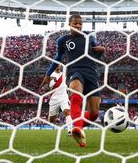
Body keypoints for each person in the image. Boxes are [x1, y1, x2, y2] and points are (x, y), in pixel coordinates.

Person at [40, 14, 105, 147]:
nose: (78, 26)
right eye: (75, 23)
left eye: (80, 24)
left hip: (91, 72)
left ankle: (77, 125)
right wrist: (48, 74)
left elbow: (95, 55)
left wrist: (102, 50)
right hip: (74, 70)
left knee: (94, 114)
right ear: (69, 23)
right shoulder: (63, 40)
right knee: (75, 93)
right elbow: (58, 57)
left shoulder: (89, 37)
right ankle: (79, 131)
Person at [46, 64, 73, 135]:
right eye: (57, 64)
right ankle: (54, 114)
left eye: (59, 64)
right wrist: (52, 80)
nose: (58, 66)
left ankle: (70, 130)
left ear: (61, 66)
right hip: (54, 99)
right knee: (51, 120)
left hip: (64, 97)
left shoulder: (64, 75)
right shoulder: (50, 74)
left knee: (67, 111)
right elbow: (48, 87)